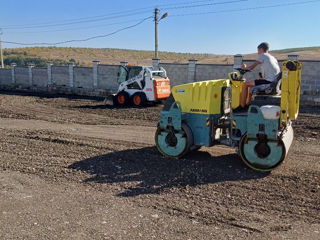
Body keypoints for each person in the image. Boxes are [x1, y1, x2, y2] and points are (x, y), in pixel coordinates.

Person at [233, 42, 280, 112]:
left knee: (244, 84)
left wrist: (244, 68)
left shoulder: (263, 55)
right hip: (273, 81)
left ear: (261, 49)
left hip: (268, 82)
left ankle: (242, 106)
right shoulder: (272, 58)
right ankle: (248, 105)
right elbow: (263, 74)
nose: (258, 53)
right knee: (251, 86)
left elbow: (251, 68)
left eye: (258, 50)